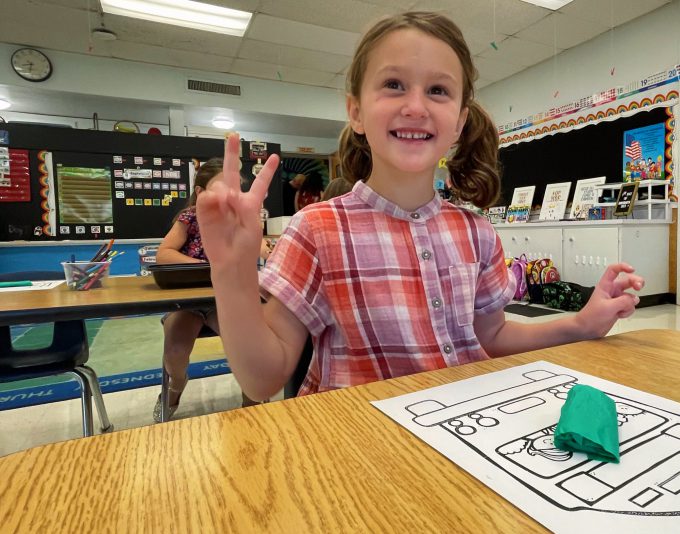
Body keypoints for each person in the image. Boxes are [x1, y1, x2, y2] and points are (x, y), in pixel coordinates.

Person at [197, 12, 644, 402]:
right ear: (355, 112)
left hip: (466, 437)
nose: (415, 106)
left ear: (460, 122)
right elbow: (263, 379)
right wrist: (231, 274)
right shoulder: (316, 229)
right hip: (364, 455)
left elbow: (493, 336)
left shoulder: (476, 232)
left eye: (438, 90)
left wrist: (580, 324)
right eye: (393, 85)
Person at [153, 158, 269, 422]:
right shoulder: (189, 218)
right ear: (200, 193)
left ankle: (253, 404)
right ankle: (176, 386)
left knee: (248, 345)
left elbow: (260, 246)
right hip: (188, 302)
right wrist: (206, 265)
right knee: (175, 353)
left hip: (226, 301)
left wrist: (267, 249)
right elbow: (164, 254)